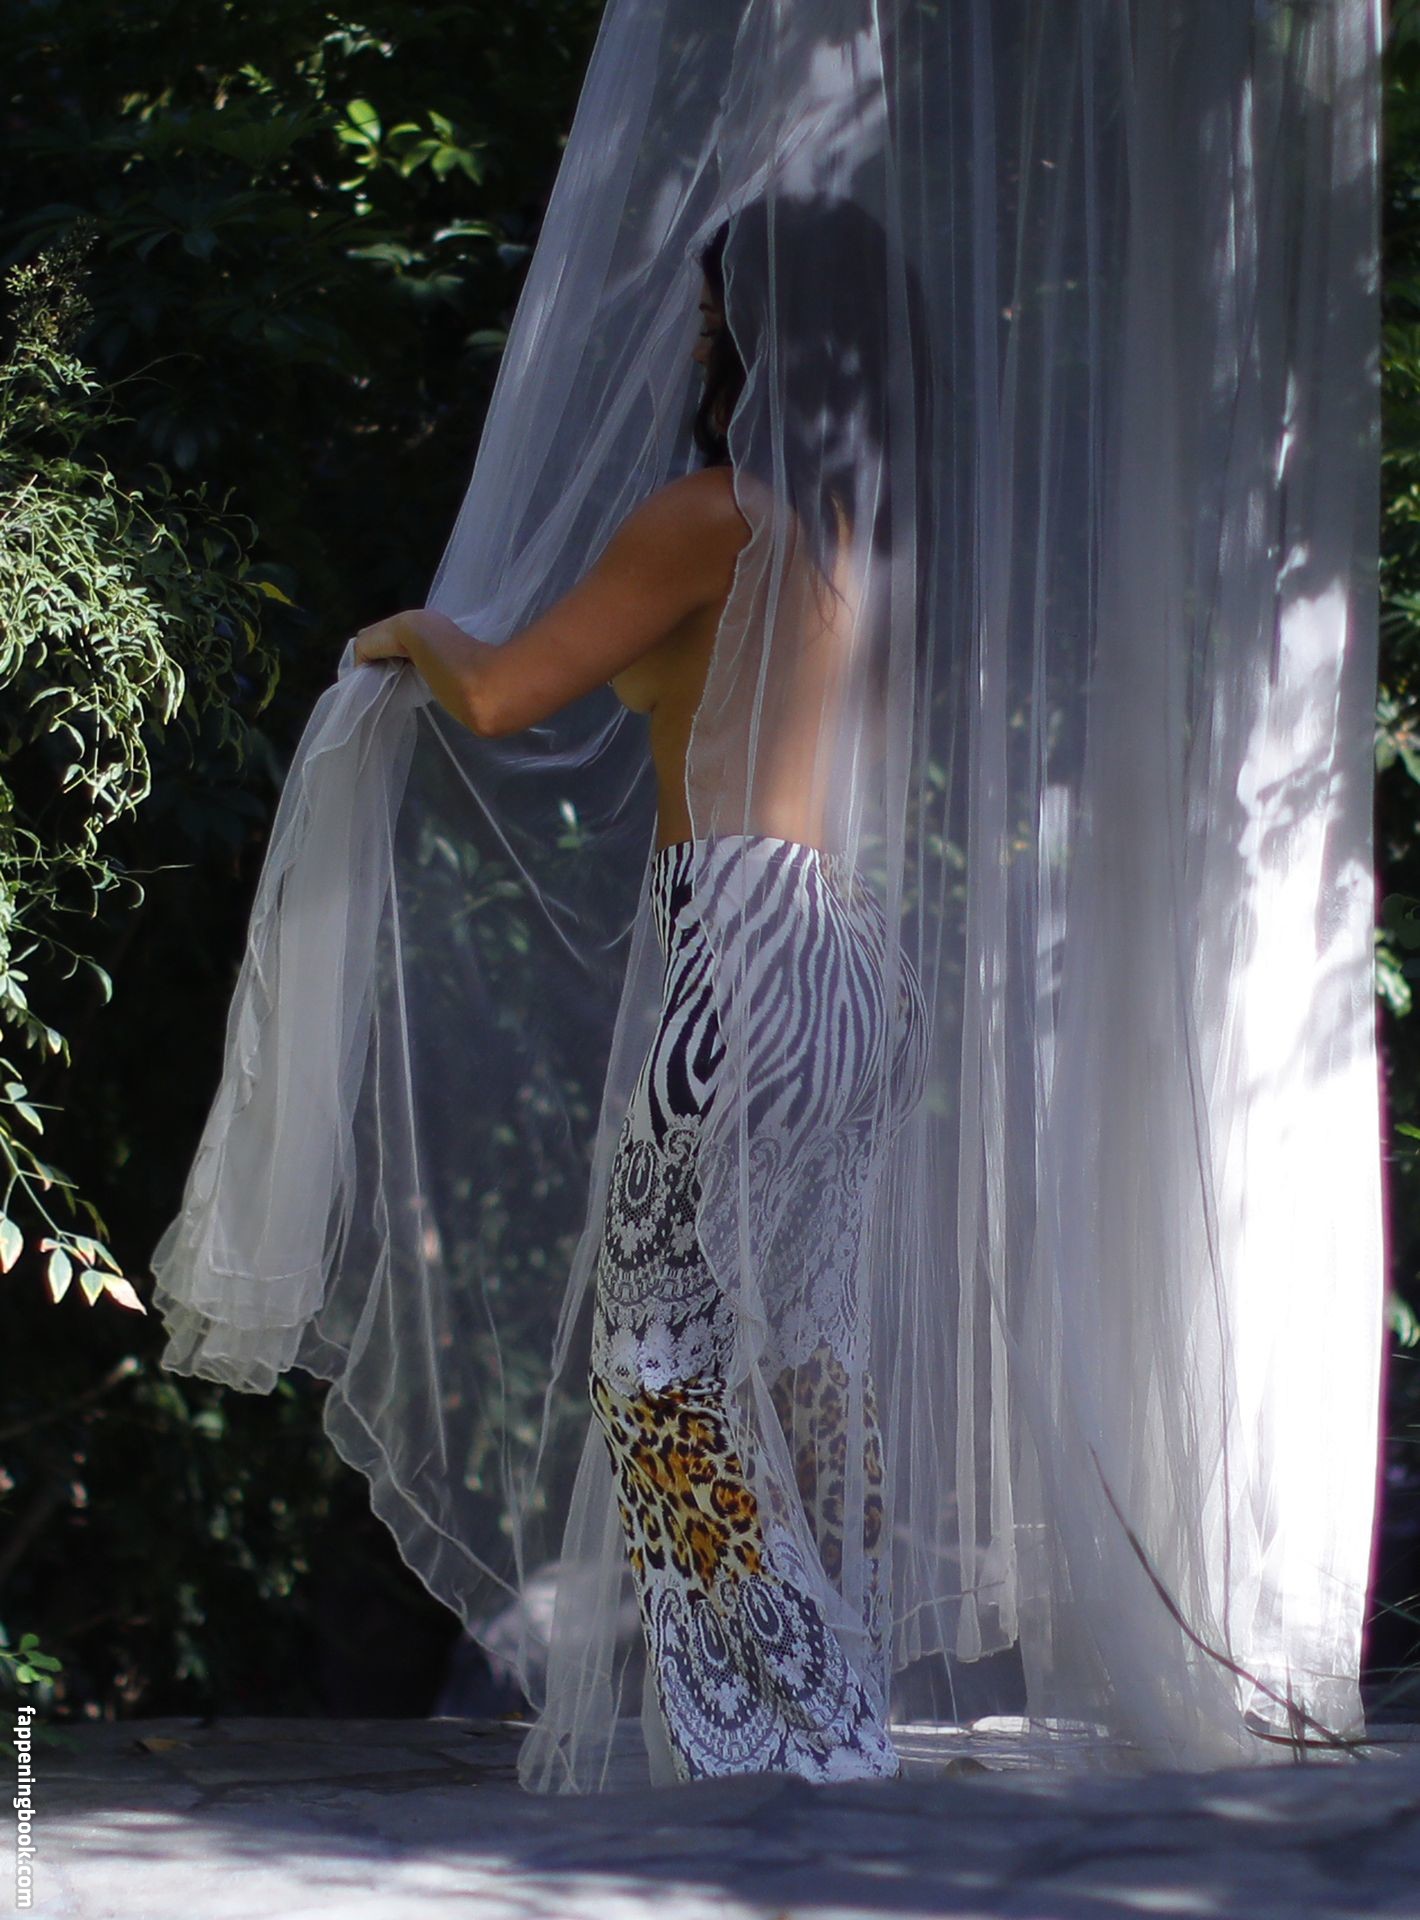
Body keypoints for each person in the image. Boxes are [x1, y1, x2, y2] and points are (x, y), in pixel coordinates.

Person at [352, 210, 929, 1782]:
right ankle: (846, 1681)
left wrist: (409, 632)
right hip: (847, 959)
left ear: (760, 334)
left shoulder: (712, 516)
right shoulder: (861, 534)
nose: (691, 336)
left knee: (652, 1356)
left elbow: (501, 694)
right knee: (805, 1348)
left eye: (712, 312)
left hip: (737, 944)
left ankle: (784, 1704)